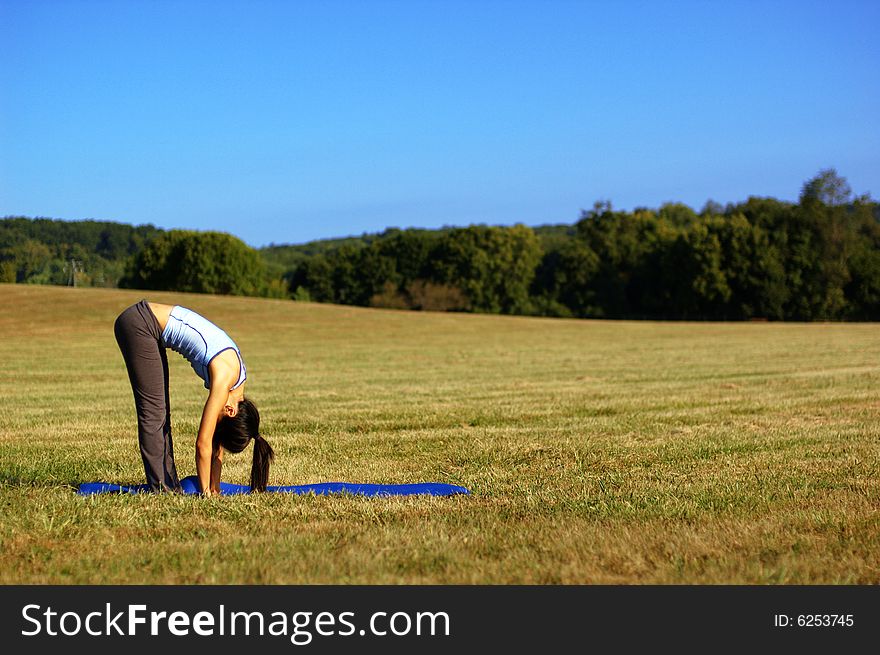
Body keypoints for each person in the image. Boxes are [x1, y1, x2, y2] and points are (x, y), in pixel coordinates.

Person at [113, 299, 274, 494]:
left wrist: (215, 488)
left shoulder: (236, 388)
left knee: (160, 414)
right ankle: (163, 491)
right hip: (140, 324)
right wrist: (205, 492)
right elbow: (203, 443)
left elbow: (216, 447)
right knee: (154, 414)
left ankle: (167, 484)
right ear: (231, 411)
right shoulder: (224, 379)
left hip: (147, 326)